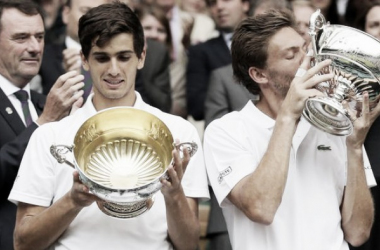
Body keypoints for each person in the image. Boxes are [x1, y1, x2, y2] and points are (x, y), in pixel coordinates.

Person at [9, 2, 209, 250]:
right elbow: (23, 242)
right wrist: (72, 200)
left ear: (141, 57)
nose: (114, 70)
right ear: (84, 59)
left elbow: (189, 245)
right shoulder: (49, 137)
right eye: (102, 58)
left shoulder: (178, 132)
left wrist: (174, 195)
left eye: (124, 57)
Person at [204, 9, 378, 249]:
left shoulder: (334, 122)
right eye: (291, 55)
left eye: (305, 48)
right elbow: (261, 208)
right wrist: (287, 115)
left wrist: (356, 146)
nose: (308, 60)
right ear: (259, 74)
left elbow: (358, 233)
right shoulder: (226, 130)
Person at [0, 1, 84, 249]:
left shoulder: (48, 104)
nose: (35, 47)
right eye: (21, 38)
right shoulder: (49, 112)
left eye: (39, 36)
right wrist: (43, 123)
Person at [186, 0, 249, 122]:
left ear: (245, 4)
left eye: (226, 0)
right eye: (212, 3)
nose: (219, 7)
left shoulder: (268, 42)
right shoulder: (200, 52)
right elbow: (196, 108)